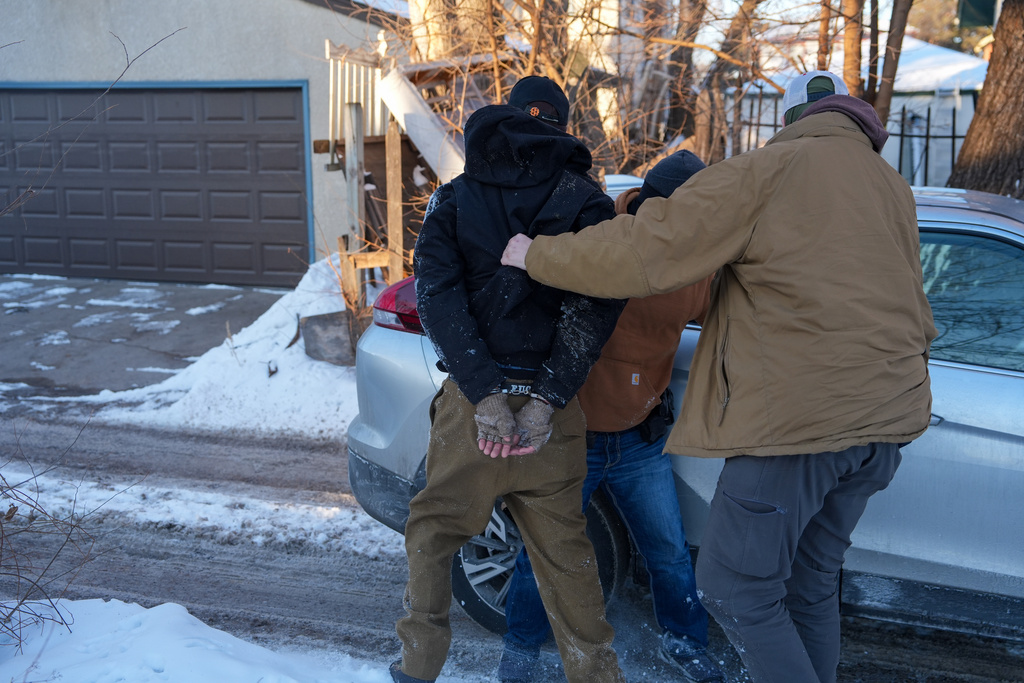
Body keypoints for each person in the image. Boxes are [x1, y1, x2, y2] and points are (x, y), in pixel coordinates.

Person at [500, 70, 937, 683]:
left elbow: (648, 249)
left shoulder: (768, 173)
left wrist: (537, 255)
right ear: (851, 116)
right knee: (808, 585)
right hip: (886, 424)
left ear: (786, 122)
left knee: (734, 587)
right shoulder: (890, 185)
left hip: (801, 423)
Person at [390, 76, 628, 683]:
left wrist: (487, 393)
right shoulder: (586, 200)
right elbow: (596, 305)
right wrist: (545, 399)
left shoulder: (454, 199)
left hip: (474, 409)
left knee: (435, 530)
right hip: (554, 415)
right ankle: (596, 675)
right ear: (559, 124)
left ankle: (418, 667)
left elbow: (439, 299)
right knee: (567, 559)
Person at [498, 150, 725, 683]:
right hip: (568, 434)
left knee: (668, 553)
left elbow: (728, 315)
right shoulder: (597, 238)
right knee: (542, 550)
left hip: (638, 439)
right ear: (652, 206)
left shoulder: (694, 263)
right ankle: (521, 649)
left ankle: (685, 642)